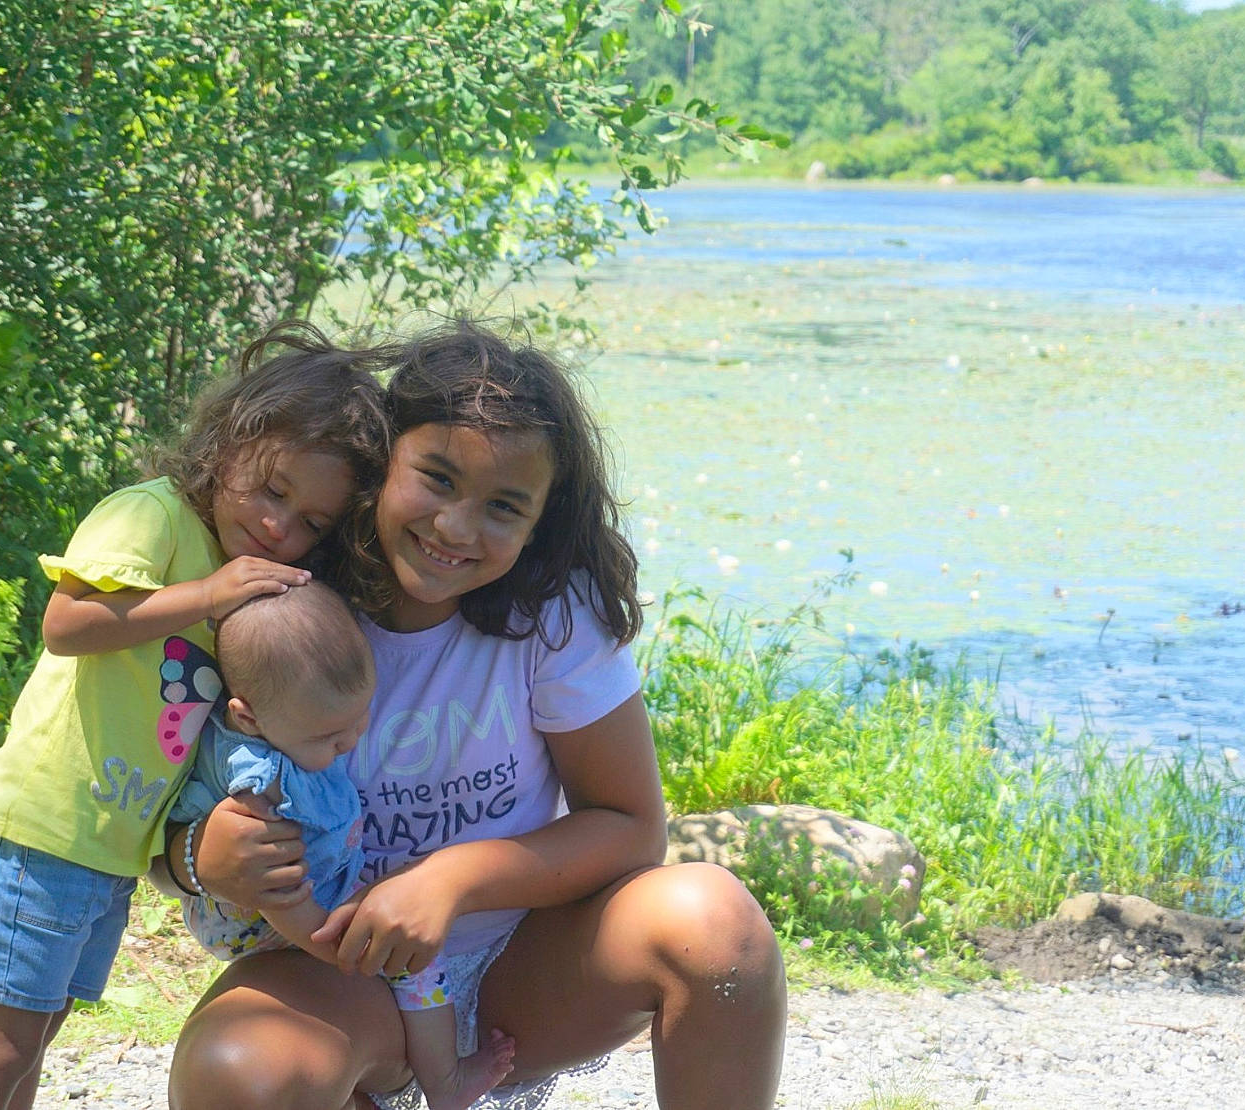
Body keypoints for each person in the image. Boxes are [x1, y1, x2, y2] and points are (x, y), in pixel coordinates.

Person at [161, 320, 787, 1110]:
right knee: (240, 1072)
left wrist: (451, 880)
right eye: (438, 477)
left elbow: (631, 826)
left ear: (540, 522)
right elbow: (134, 813)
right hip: (337, 969)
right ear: (382, 462)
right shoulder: (276, 603)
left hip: (517, 970)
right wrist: (195, 857)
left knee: (717, 926)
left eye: (504, 506)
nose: (456, 527)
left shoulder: (553, 615)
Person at [0, 324, 388, 1110]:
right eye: (272, 490)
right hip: (52, 823)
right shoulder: (154, 516)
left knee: (34, 1033)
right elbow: (66, 622)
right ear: (226, 443)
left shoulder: (241, 568)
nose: (282, 527)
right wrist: (205, 597)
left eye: (313, 521)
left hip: (111, 837)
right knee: (2, 1042)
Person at [166, 581, 516, 1110]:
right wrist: (334, 949)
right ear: (247, 717)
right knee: (414, 964)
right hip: (276, 919)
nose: (349, 741)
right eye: (329, 737)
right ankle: (446, 1083)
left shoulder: (286, 723)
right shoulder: (262, 786)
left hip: (303, 900)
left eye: (360, 720)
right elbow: (271, 888)